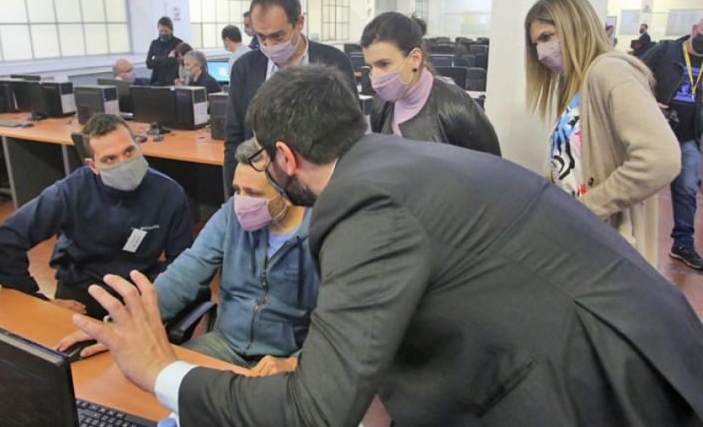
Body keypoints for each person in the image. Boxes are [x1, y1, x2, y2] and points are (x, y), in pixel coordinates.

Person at [73, 64, 703, 427]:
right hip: (634, 337)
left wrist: (160, 371)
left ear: (285, 156)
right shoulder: (394, 161)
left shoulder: (363, 205)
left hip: (607, 377)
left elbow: (316, 414)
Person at [57, 139, 319, 375]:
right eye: (237, 190)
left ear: (289, 193)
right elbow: (187, 272)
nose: (240, 201)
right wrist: (126, 325)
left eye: (252, 193)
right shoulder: (231, 215)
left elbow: (337, 325)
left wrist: (296, 362)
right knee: (149, 382)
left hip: (287, 358)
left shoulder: (322, 234)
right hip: (225, 345)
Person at [0, 114, 193, 319]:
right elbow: (2, 243)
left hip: (139, 288)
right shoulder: (70, 192)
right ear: (92, 165)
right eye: (110, 159)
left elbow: (182, 260)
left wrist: (154, 297)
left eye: (129, 151)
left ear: (139, 145)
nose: (124, 163)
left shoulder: (169, 193)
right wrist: (38, 300)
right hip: (83, 289)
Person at [525, 0, 680, 265]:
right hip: (581, 240)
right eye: (536, 43)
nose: (541, 53)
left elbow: (661, 159)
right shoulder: (576, 84)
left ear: (578, 27)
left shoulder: (609, 71)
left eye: (547, 37)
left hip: (607, 248)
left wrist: (588, 209)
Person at [223, 0, 356, 193]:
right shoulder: (245, 68)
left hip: (318, 187)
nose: (269, 44)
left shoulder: (335, 62)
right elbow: (234, 136)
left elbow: (349, 137)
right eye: (261, 37)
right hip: (260, 185)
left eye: (278, 36)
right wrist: (235, 194)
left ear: (299, 23)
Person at [362, 12, 500, 155]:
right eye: (370, 66)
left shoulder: (457, 108)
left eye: (384, 64)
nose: (375, 75)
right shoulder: (381, 105)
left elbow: (489, 164)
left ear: (415, 58)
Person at [642, 18, 703, 270]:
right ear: (694, 29)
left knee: (687, 190)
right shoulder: (666, 50)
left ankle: (683, 244)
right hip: (655, 133)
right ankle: (629, 240)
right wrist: (649, 100)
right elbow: (633, 74)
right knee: (640, 188)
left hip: (688, 136)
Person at [146, 16, 184, 86]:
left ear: (171, 30)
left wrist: (157, 60)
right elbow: (149, 64)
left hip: (172, 80)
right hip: (156, 80)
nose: (163, 33)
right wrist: (168, 59)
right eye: (161, 31)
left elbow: (177, 62)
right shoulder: (154, 43)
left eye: (166, 31)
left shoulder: (178, 43)